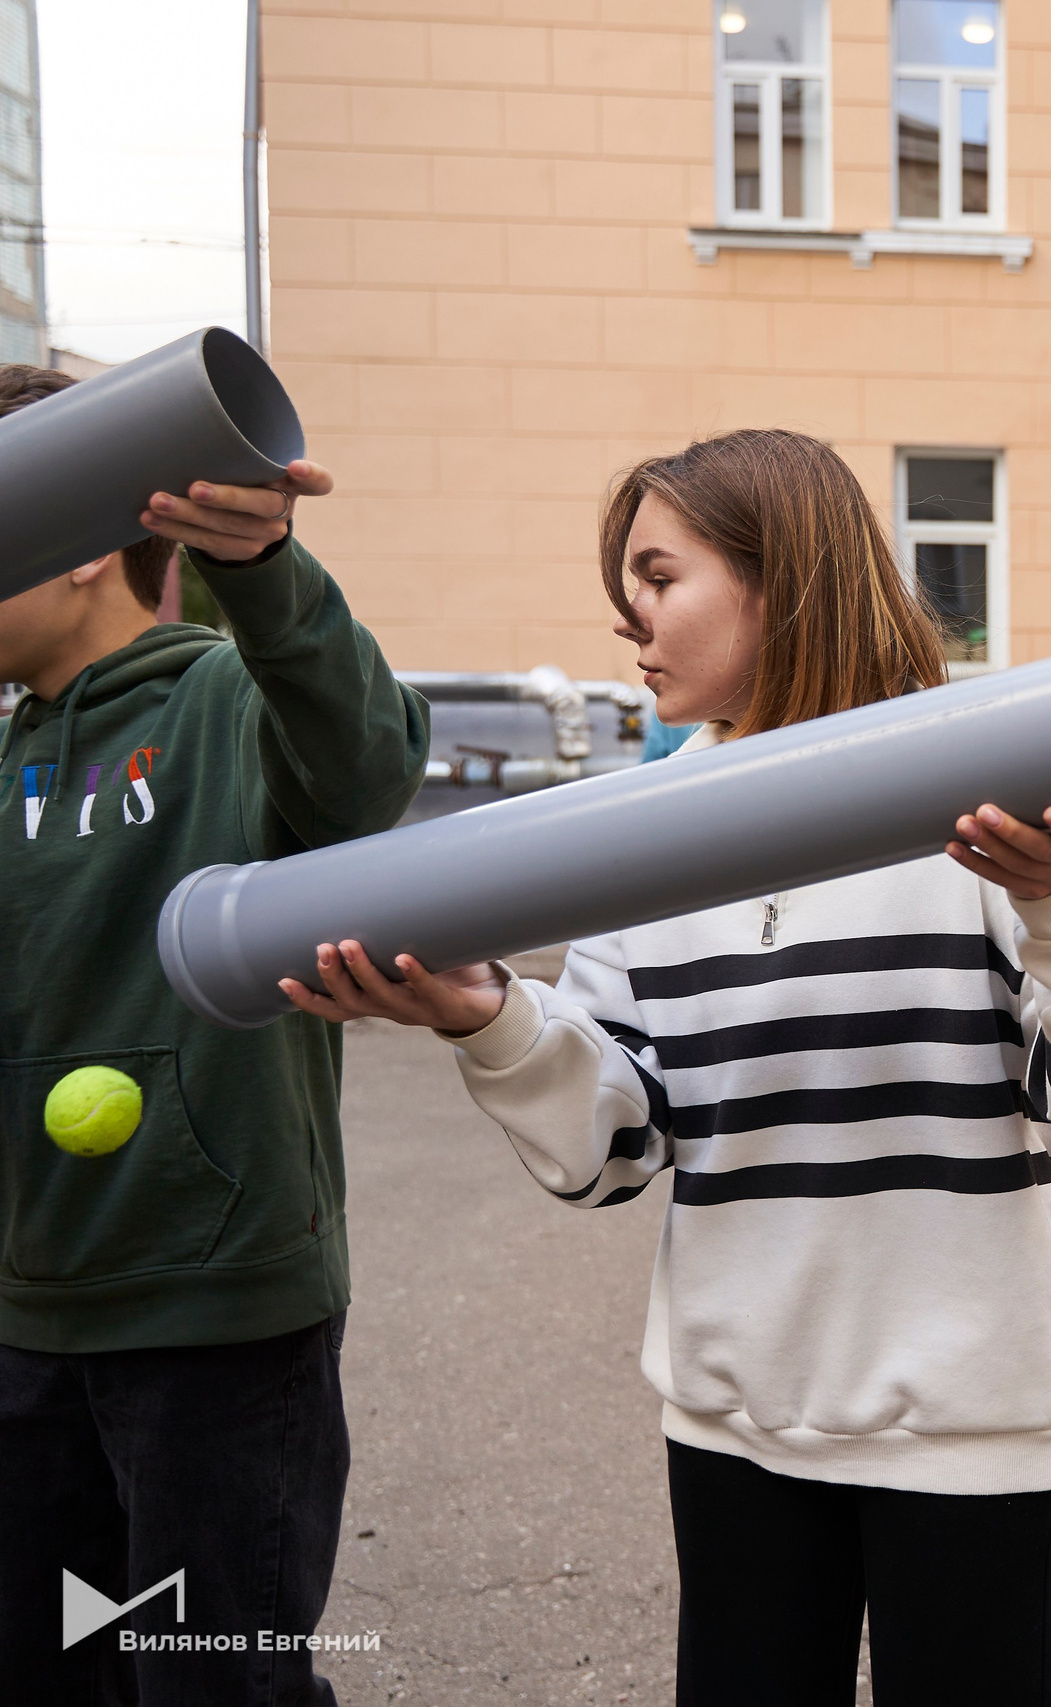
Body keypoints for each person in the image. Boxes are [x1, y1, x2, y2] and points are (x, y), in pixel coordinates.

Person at [282, 429, 1051, 1707]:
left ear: (781, 579)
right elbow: (613, 1148)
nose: (631, 622)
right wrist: (484, 1015)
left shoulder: (976, 790)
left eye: (660, 580)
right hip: (729, 1432)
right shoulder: (642, 839)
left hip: (971, 1436)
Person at [0, 365, 428, 1703]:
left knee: (211, 1681)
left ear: (73, 542)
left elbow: (365, 764)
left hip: (216, 1317)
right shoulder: (5, 760)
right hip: (27, 1313)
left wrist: (270, 568)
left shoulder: (222, 705)